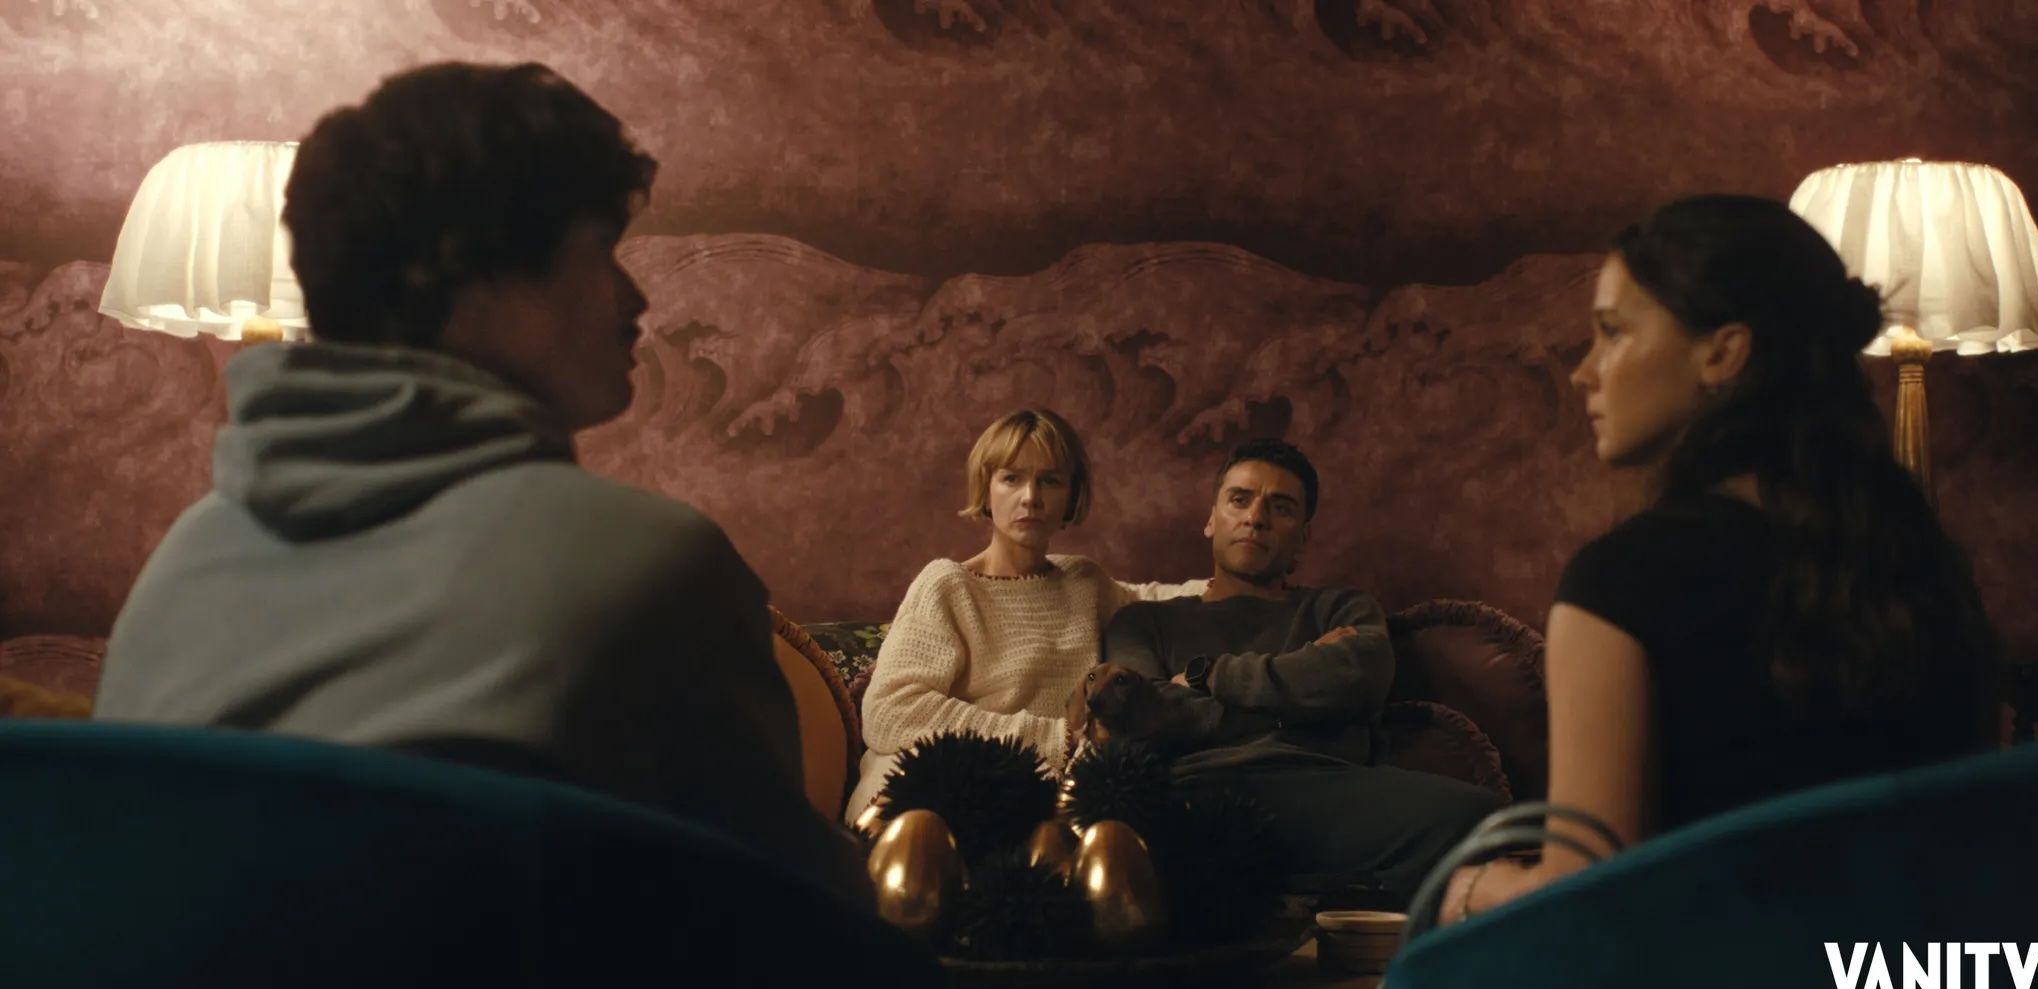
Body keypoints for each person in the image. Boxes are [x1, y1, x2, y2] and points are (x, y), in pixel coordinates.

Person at [95, 62, 868, 908]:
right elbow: (791, 922)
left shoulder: (179, 566)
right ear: (473, 283)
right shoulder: (649, 565)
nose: (635, 298)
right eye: (600, 254)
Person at [1440, 194, 1997, 924]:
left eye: (1613, 332)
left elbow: (1589, 909)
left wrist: (1471, 890)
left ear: (1722, 352)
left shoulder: (1622, 583)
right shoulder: (1925, 566)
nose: (1584, 372)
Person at [1100, 438, 1503, 903]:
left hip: (1324, 788)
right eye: (1239, 499)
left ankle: (1306, 900)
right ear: (1211, 519)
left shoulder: (1340, 608)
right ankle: (1327, 898)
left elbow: (1361, 677)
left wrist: (1205, 678)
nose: (1256, 518)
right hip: (1198, 790)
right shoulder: (1144, 621)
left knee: (1485, 820)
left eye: (1281, 507)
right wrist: (1296, 698)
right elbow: (1135, 715)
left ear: (1303, 538)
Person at [849, 408, 1203, 821]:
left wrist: (1236, 579)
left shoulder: (1085, 583)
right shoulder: (947, 585)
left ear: (1071, 496)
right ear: (987, 488)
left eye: (1049, 480)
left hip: (1050, 797)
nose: (1031, 497)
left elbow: (1156, 600)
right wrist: (1050, 738)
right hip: (942, 790)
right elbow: (889, 712)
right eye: (1012, 478)